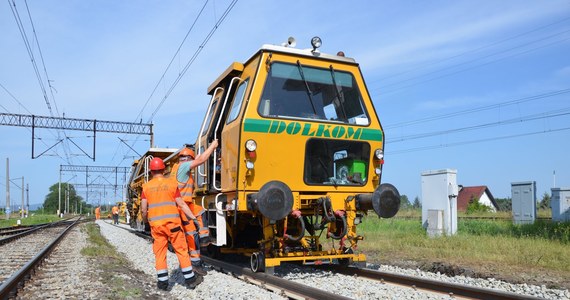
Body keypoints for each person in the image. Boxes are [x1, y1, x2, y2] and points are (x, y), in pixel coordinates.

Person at [141, 157, 203, 290]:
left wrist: (146, 221)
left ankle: (163, 283)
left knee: (160, 253)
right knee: (181, 251)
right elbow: (181, 204)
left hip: (157, 227)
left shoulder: (146, 187)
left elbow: (143, 209)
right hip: (173, 225)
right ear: (163, 170)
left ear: (151, 171)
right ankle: (190, 280)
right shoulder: (171, 184)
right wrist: (193, 218)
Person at [170, 140, 218, 275]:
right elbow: (201, 160)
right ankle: (195, 264)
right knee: (191, 235)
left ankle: (204, 237)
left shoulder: (176, 168)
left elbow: (197, 159)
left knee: (200, 210)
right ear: (188, 160)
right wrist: (212, 146)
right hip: (182, 207)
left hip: (185, 204)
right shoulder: (184, 166)